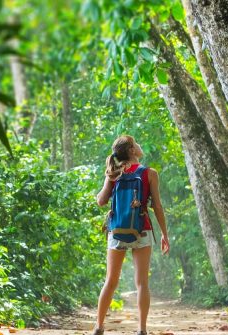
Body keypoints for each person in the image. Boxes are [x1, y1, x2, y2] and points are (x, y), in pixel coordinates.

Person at [94, 135, 170, 335]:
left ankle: (99, 326)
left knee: (110, 281)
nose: (139, 145)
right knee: (142, 282)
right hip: (142, 229)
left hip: (117, 230)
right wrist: (164, 234)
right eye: (136, 143)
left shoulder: (114, 173)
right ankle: (141, 329)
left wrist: (108, 177)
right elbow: (157, 206)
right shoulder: (150, 173)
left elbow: (101, 201)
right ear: (131, 150)